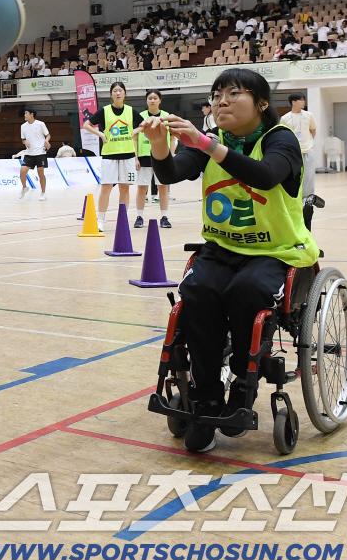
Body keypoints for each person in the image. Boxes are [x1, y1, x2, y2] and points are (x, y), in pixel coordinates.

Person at [147, 69, 315, 452]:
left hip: (275, 250)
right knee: (197, 292)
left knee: (248, 291)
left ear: (260, 103)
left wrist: (206, 144)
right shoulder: (211, 141)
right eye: (217, 94)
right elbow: (172, 172)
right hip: (222, 248)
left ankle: (242, 385)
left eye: (233, 93)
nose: (221, 100)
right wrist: (159, 146)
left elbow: (267, 176)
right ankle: (205, 400)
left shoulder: (281, 139)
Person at [82, 81, 135, 233]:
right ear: (111, 94)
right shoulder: (104, 111)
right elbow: (87, 125)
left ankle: (122, 221)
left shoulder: (131, 111)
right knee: (106, 188)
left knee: (124, 188)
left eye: (120, 90)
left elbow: (143, 125)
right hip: (109, 155)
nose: (118, 93)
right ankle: (101, 221)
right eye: (115, 91)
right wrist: (100, 134)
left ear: (125, 94)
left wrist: (135, 132)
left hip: (128, 155)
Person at [133, 90, 174, 229]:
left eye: (155, 98)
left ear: (160, 100)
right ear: (146, 101)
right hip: (144, 157)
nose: (152, 100)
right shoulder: (140, 117)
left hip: (162, 156)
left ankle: (164, 217)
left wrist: (172, 155)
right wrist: (136, 157)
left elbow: (173, 137)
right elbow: (135, 137)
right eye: (150, 98)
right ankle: (139, 216)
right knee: (142, 188)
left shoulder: (166, 116)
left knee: (163, 188)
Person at [280, 93, 316, 200]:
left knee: (309, 176)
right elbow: (283, 134)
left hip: (308, 150)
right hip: (293, 152)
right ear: (293, 102)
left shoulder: (309, 115)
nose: (303, 102)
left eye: (304, 100)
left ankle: (308, 197)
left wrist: (308, 142)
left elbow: (313, 130)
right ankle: (294, 196)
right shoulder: (285, 118)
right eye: (301, 100)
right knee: (294, 175)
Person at [18, 109, 50, 201]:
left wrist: (46, 141)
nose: (24, 115)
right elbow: (23, 139)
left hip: (40, 152)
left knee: (40, 173)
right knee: (22, 172)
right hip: (29, 153)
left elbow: (48, 135)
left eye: (26, 113)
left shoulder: (40, 124)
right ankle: (24, 188)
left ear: (32, 114)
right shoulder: (23, 126)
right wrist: (25, 142)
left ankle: (43, 193)